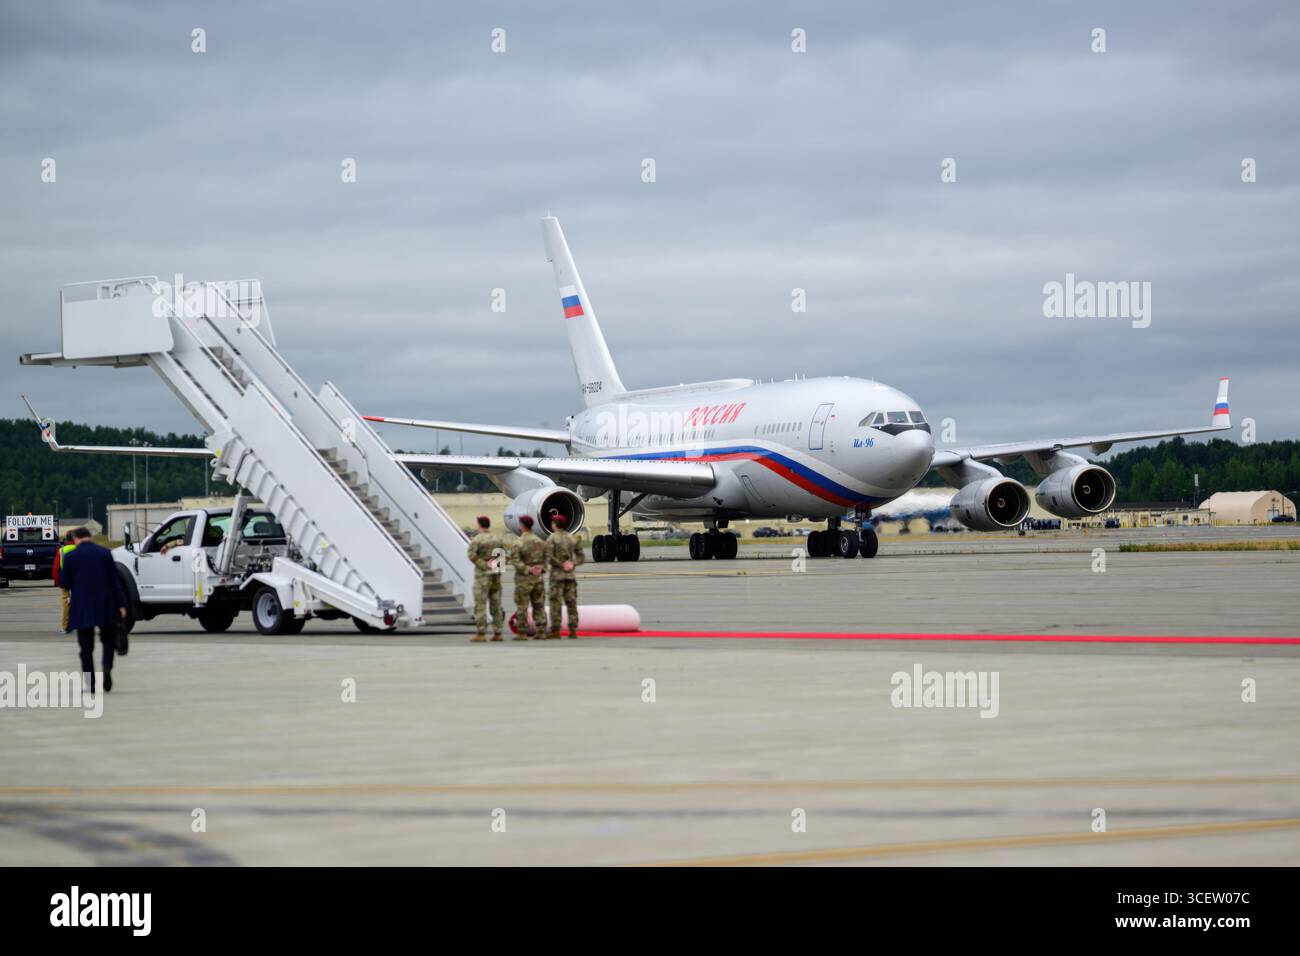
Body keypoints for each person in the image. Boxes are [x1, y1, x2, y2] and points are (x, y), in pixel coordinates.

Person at [59, 527, 127, 693]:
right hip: (106, 604)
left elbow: (65, 583)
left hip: (82, 607)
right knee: (108, 641)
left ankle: (90, 683)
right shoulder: (104, 553)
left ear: (76, 538)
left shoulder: (71, 556)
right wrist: (122, 605)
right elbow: (115, 581)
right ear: (90, 537)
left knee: (86, 647)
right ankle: (106, 668)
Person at [543, 513, 584, 639]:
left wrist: (560, 564)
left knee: (555, 602)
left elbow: (548, 556)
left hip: (557, 576)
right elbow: (581, 556)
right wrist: (571, 564)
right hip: (570, 576)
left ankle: (556, 630)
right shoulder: (572, 538)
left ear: (554, 525)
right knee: (571, 602)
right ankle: (573, 630)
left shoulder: (552, 538)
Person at [466, 515, 505, 642]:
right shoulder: (497, 539)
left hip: (482, 577)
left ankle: (481, 632)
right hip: (496, 575)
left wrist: (484, 565)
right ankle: (498, 632)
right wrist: (495, 568)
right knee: (496, 604)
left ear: (480, 525)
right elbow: (502, 556)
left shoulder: (477, 539)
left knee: (481, 605)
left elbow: (471, 555)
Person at [508, 515, 547, 640]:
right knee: (539, 605)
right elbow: (546, 558)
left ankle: (522, 632)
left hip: (523, 580)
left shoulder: (518, 543)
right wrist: (540, 568)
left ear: (521, 525)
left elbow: (515, 560)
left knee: (522, 606)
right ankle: (541, 630)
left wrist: (528, 569)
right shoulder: (540, 542)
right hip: (538, 579)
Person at [51, 531, 76, 634]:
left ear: (66, 539)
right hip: (79, 580)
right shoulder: (80, 549)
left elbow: (55, 569)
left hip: (65, 580)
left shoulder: (61, 551)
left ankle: (66, 627)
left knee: (66, 603)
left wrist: (57, 581)